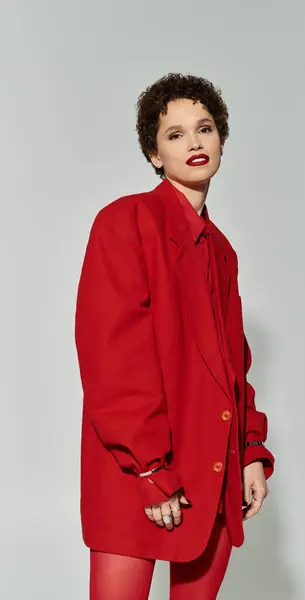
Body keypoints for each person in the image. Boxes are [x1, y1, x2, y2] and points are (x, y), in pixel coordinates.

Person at [74, 72, 275, 599]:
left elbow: (235, 364)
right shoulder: (124, 222)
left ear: (221, 143)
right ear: (154, 154)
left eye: (204, 128)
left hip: (211, 467)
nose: (194, 143)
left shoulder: (221, 251)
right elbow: (111, 356)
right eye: (175, 134)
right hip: (135, 469)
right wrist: (150, 468)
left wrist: (250, 450)